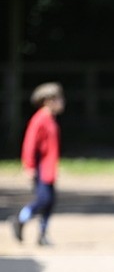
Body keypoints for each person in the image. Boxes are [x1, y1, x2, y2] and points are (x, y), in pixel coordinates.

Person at [11, 82, 65, 246]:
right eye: (59, 99)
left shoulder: (50, 119)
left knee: (50, 201)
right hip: (41, 168)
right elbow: (30, 144)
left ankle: (42, 233)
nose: (62, 102)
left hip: (49, 168)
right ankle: (21, 218)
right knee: (43, 200)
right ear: (48, 101)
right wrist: (29, 166)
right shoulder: (39, 120)